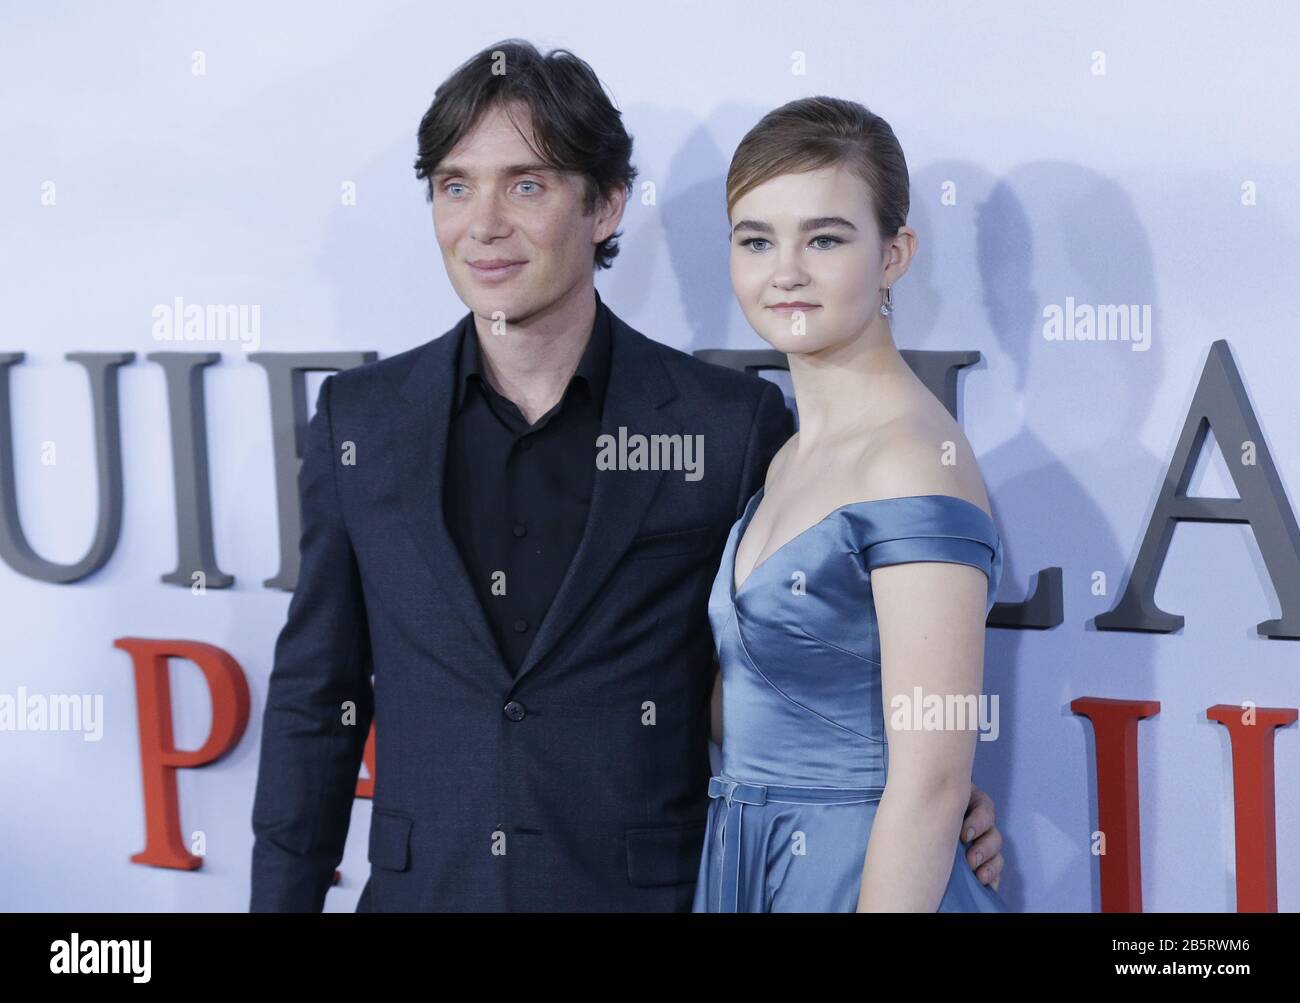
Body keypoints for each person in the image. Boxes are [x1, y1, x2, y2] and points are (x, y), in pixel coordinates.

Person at [249, 40, 1005, 912]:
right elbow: (316, 697)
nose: (484, 223)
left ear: (605, 205)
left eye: (526, 185)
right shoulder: (363, 423)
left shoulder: (728, 427)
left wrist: (912, 788)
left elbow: (783, 657)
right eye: (456, 185)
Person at [693, 96, 1008, 912]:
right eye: (755, 239)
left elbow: (933, 784)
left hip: (856, 879)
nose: (785, 271)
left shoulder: (911, 460)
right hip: (747, 859)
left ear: (895, 253)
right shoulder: (791, 452)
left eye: (825, 238)